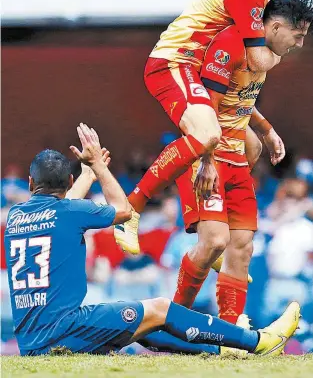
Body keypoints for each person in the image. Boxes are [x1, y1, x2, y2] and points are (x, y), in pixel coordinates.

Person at [4, 123, 300, 357]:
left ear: (30, 184)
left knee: (144, 324)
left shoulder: (16, 216)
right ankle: (260, 341)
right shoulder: (68, 211)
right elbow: (122, 211)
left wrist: (87, 175)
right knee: (159, 307)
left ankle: (226, 350)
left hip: (32, 339)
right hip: (64, 329)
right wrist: (99, 167)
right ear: (68, 183)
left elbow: (63, 209)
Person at [116, 0, 309, 254]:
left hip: (198, 69)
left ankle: (207, 230)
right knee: (206, 137)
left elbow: (247, 75)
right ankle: (129, 210)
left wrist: (264, 127)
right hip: (174, 63)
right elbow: (259, 61)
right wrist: (285, 49)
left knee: (249, 148)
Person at [172, 0, 313, 324]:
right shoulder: (232, 46)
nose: (300, 43)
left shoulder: (262, 56)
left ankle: (231, 326)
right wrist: (205, 159)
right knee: (215, 242)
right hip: (207, 154)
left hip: (234, 156)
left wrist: (267, 130)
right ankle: (173, 319)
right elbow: (207, 104)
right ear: (276, 26)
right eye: (298, 35)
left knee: (242, 245)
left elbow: (239, 101)